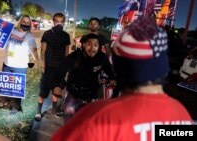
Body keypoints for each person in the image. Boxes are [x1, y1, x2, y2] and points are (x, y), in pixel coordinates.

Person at [51, 16, 194, 141]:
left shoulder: (98, 119)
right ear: (164, 66)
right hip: (75, 93)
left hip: (90, 96)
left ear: (120, 67)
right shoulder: (182, 116)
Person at [51, 33, 115, 121]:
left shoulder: (101, 58)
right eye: (89, 44)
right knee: (70, 120)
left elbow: (109, 70)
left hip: (92, 94)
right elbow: (60, 70)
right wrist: (56, 85)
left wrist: (113, 78)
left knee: (91, 122)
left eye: (96, 45)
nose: (92, 48)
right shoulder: (75, 57)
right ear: (84, 45)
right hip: (74, 94)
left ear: (99, 46)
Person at [0, 15, 39, 114]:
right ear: (19, 21)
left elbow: (34, 49)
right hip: (7, 64)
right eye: (23, 21)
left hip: (20, 67)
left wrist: (36, 60)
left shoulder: (29, 37)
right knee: (4, 85)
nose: (25, 24)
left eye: (27, 22)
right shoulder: (10, 31)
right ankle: (3, 100)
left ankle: (15, 106)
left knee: (17, 88)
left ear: (30, 25)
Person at [34, 13, 70, 121]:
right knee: (43, 91)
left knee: (56, 90)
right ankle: (38, 112)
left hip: (59, 69)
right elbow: (43, 50)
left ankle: (54, 110)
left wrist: (65, 69)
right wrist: (43, 65)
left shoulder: (65, 36)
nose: (59, 23)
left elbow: (66, 54)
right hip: (48, 67)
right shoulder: (47, 34)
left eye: (61, 21)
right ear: (53, 22)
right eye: (57, 21)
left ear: (64, 23)